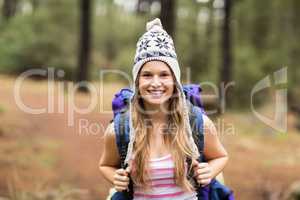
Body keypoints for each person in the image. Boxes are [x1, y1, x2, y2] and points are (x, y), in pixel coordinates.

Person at [99, 18, 229, 199]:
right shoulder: (120, 129)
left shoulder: (196, 123)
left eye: (164, 75)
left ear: (174, 80)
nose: (155, 83)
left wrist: (210, 170)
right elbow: (105, 165)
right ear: (137, 81)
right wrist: (116, 178)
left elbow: (220, 156)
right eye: (147, 75)